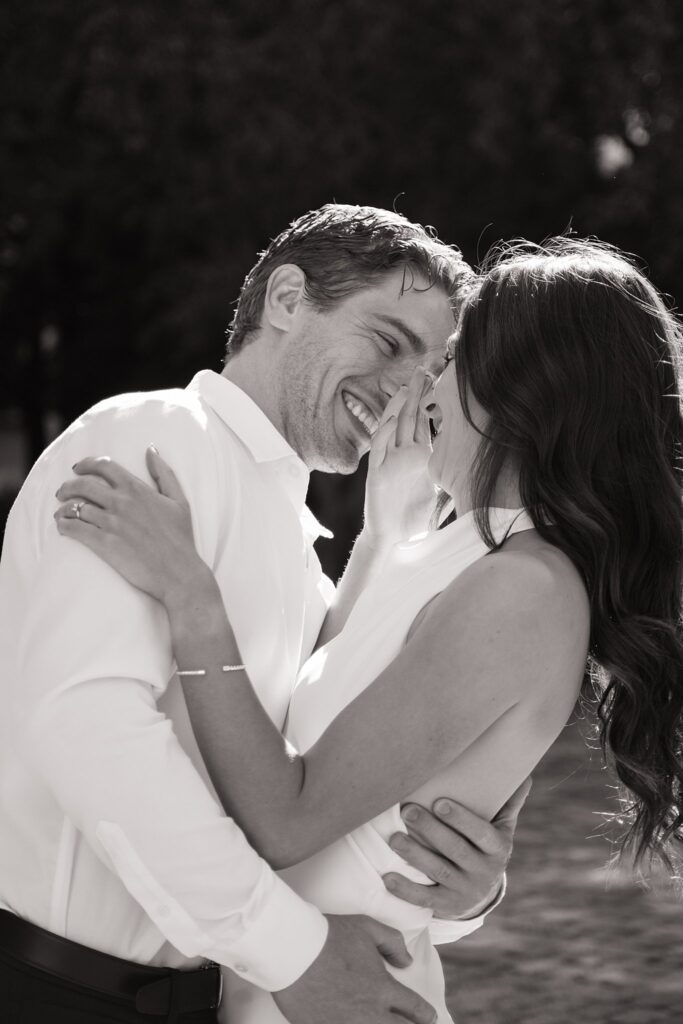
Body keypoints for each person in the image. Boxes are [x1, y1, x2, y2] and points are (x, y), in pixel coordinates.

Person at [52, 236, 683, 1023]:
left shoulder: (525, 588)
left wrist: (191, 597)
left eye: (449, 358)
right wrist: (383, 542)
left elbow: (285, 819)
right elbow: (307, 716)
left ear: (519, 390)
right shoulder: (464, 555)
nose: (421, 389)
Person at [0, 205, 524, 1024]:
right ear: (286, 299)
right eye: (388, 343)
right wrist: (297, 954)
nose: (404, 391)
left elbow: (312, 789)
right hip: (55, 994)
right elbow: (83, 722)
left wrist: (466, 890)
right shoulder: (152, 436)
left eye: (429, 369)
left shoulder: (292, 531)